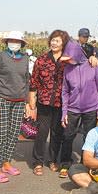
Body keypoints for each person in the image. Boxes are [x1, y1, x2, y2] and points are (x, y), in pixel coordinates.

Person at [0, 31, 31, 183]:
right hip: (3, 100)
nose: (14, 43)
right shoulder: (0, 56)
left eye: (17, 41)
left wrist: (26, 103)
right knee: (1, 134)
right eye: (11, 40)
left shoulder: (25, 58)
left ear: (22, 44)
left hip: (19, 101)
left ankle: (6, 164)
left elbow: (27, 81)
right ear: (7, 42)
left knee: (13, 135)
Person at [59, 41, 98, 178]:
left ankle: (86, 164)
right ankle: (65, 163)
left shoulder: (93, 66)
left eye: (71, 58)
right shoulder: (67, 69)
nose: (69, 61)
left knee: (89, 137)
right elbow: (65, 92)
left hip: (91, 108)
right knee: (67, 136)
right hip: (72, 109)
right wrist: (64, 112)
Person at [28, 30, 69, 176]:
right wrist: (31, 99)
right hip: (44, 102)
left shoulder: (68, 60)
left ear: (63, 43)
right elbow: (34, 80)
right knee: (42, 133)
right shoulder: (42, 59)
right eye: (52, 40)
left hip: (61, 103)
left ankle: (52, 160)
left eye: (57, 40)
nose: (54, 43)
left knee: (57, 133)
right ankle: (37, 162)